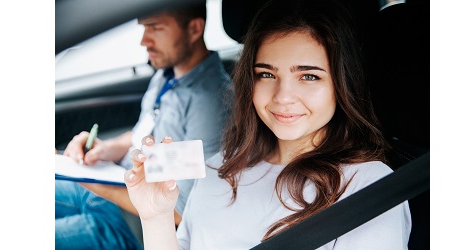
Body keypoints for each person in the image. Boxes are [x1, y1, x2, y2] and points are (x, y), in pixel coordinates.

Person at [124, 0, 412, 249]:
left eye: (309, 76)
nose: (283, 97)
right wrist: (156, 216)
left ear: (341, 84)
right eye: (266, 75)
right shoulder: (218, 168)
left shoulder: (369, 186)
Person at [56, 3, 232, 249]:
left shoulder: (211, 104)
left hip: (129, 224)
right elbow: (142, 133)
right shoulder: (167, 73)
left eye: (155, 28)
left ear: (194, 29)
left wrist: (97, 185)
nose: (144, 41)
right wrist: (105, 148)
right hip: (112, 188)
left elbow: (181, 212)